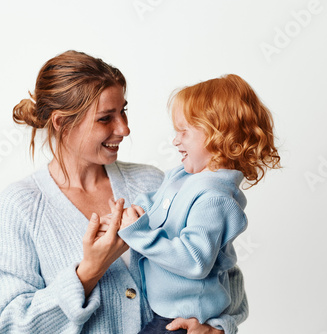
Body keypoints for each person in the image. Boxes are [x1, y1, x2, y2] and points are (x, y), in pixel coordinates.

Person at [0, 50, 248, 334]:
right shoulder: (21, 206)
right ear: (61, 123)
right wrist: (88, 272)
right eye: (105, 118)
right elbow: (7, 325)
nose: (124, 128)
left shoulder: (155, 183)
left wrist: (217, 329)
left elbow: (224, 278)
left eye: (123, 110)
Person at [112, 74, 281, 333]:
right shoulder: (184, 175)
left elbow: (195, 260)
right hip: (159, 309)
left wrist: (140, 233)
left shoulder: (215, 198)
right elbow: (157, 203)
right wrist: (137, 211)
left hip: (183, 320)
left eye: (184, 132)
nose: (175, 140)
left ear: (218, 137)